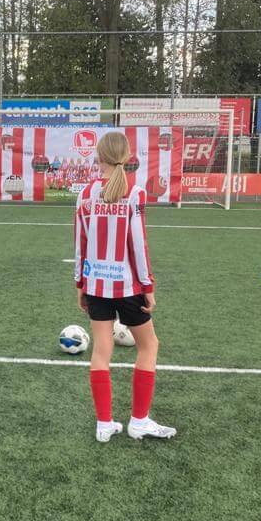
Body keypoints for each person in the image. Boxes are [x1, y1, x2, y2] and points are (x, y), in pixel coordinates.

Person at [74, 131, 175, 443]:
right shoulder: (135, 193)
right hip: (128, 287)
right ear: (127, 156)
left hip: (96, 285)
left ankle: (104, 424)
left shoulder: (85, 194)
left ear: (99, 156)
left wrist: (80, 283)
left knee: (101, 351)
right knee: (149, 345)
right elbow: (138, 245)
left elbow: (80, 243)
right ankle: (139, 421)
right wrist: (148, 286)